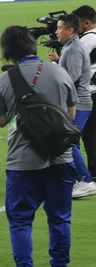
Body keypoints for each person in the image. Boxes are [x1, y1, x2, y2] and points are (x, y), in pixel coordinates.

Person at [0, 26, 75, 267]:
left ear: (6, 52)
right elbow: (70, 115)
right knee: (60, 219)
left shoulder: (5, 80)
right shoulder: (59, 71)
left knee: (20, 221)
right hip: (60, 158)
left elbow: (1, 120)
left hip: (22, 162)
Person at [46, 14, 96, 199]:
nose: (56, 31)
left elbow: (71, 79)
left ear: (70, 30)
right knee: (68, 141)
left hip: (79, 103)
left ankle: (85, 181)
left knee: (69, 141)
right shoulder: (71, 47)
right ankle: (79, 179)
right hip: (79, 101)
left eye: (59, 28)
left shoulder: (74, 49)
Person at [70, 4, 96, 198]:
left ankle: (87, 178)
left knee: (82, 136)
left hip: (89, 93)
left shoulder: (87, 40)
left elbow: (76, 68)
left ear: (86, 23)